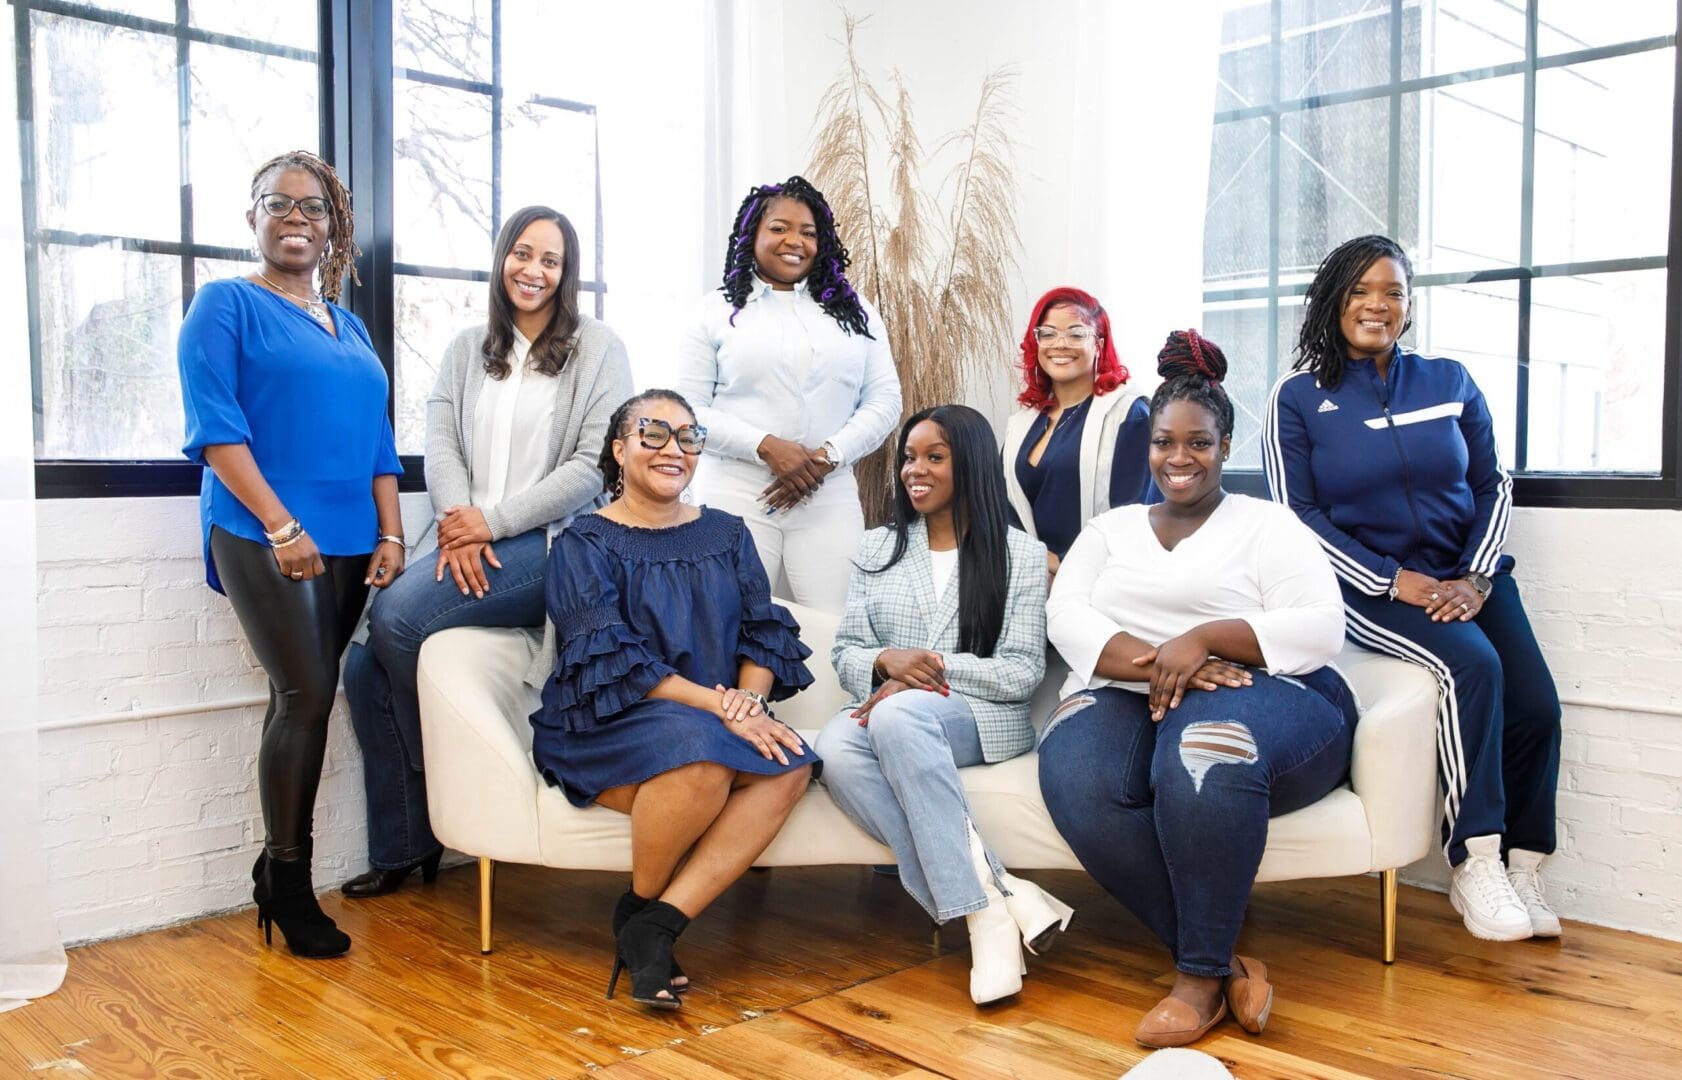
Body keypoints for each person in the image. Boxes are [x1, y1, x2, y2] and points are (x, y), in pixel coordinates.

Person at [1039, 331, 1357, 1047]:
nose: (1178, 459)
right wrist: (1164, 662)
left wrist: (1207, 638)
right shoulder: (1111, 529)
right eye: (1163, 442)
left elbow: (1320, 627)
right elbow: (1068, 614)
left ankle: (1195, 978)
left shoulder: (1267, 525)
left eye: (1199, 443)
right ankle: (1226, 960)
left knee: (1201, 752)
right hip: (1130, 685)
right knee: (1074, 772)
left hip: (1270, 691)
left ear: (1226, 444)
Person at [1264, 234, 1562, 943]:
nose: (1377, 305)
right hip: (1370, 591)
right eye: (1361, 290)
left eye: (1393, 292)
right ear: (1333, 300)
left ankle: (1524, 865)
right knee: (1473, 666)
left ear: (1408, 305)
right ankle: (1476, 859)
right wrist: (1396, 581)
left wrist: (1477, 577)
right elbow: (1295, 518)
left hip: (1470, 579)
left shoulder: (1449, 380)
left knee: (1537, 706)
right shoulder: (1300, 399)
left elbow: (1494, 484)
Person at [341, 206, 633, 898]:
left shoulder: (598, 348)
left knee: (397, 620)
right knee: (361, 668)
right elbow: (437, 440)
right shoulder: (468, 347)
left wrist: (491, 523)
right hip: (464, 533)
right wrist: (457, 519)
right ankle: (407, 846)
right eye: (522, 254)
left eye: (551, 260)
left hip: (555, 545)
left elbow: (596, 466)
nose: (534, 271)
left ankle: (460, 768)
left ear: (567, 274)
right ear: (502, 259)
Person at [177, 150, 404, 959]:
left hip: (349, 538)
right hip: (259, 530)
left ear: (332, 228)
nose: (298, 219)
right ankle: (288, 880)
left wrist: (391, 532)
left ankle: (276, 874)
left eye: (314, 209)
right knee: (305, 693)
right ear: (253, 218)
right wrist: (281, 526)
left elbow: (381, 440)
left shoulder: (349, 326)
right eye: (280, 204)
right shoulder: (225, 305)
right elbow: (216, 431)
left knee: (304, 698)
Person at [531, 389, 818, 1010]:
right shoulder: (583, 542)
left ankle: (650, 921)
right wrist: (723, 710)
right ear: (619, 449)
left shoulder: (729, 532)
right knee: (702, 759)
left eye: (688, 437)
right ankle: (646, 921)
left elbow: (761, 633)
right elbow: (612, 658)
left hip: (714, 717)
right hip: (611, 717)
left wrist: (747, 702)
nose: (673, 449)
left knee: (793, 765)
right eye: (653, 433)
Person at [814, 405, 1064, 1006]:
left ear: (970, 463)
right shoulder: (877, 548)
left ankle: (982, 924)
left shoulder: (1022, 556)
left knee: (898, 714)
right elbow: (847, 649)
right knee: (834, 748)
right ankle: (998, 901)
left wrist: (926, 668)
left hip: (979, 717)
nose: (914, 470)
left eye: (934, 457)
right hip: (888, 708)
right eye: (908, 456)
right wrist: (884, 663)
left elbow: (1023, 672)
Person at [673, 175, 902, 611]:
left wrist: (825, 457)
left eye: (809, 232)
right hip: (737, 493)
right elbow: (688, 414)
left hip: (828, 495)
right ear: (751, 234)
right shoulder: (713, 312)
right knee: (730, 622)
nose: (794, 241)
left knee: (838, 626)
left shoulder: (857, 313)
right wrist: (766, 447)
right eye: (779, 228)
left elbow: (885, 399)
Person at [1002, 286, 1155, 574]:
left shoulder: (1128, 415)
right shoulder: (1022, 424)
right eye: (1047, 333)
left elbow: (1135, 515)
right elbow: (1002, 506)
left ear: (1099, 343)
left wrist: (1061, 565)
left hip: (1100, 583)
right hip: (1028, 581)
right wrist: (1034, 564)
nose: (1060, 344)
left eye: (1075, 333)